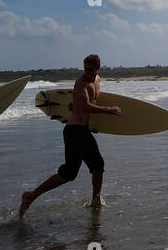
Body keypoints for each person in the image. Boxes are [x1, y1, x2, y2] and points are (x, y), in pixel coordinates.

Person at [19, 54, 120, 217]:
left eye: (91, 69)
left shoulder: (97, 80)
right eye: (85, 69)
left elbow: (89, 107)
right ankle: (30, 196)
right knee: (69, 173)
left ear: (98, 68)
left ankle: (96, 199)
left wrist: (93, 125)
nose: (87, 72)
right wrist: (109, 110)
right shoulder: (81, 84)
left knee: (98, 165)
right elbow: (84, 106)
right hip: (74, 131)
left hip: (84, 130)